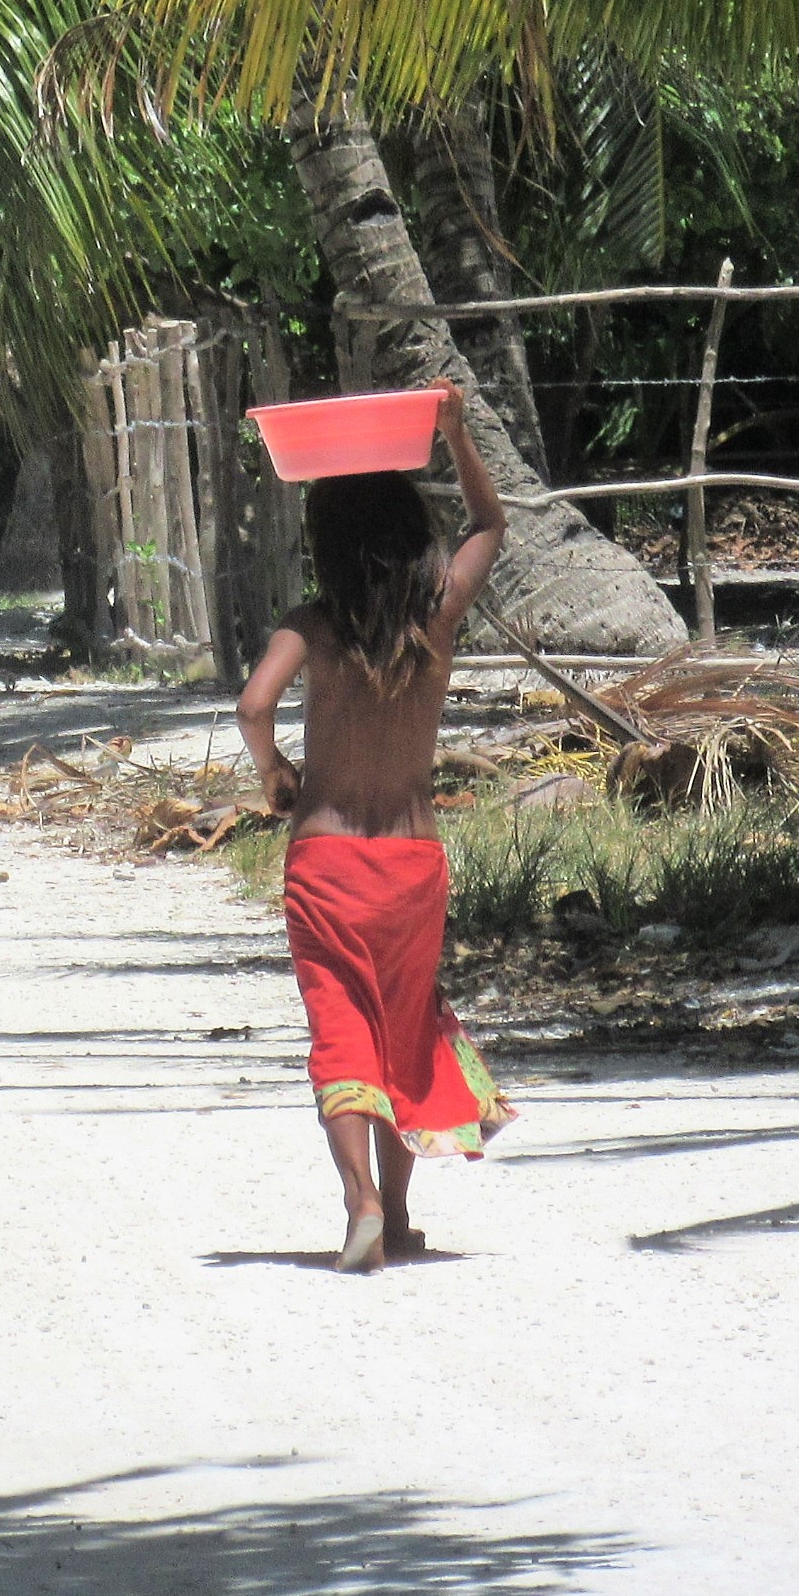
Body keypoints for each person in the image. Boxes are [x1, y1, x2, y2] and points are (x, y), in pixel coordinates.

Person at [235, 382, 519, 1274]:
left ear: (325, 548)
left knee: (340, 1032)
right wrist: (456, 434)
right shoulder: (434, 619)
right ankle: (395, 1213)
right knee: (401, 1027)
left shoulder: (312, 627)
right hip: (411, 861)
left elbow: (251, 706)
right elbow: (490, 527)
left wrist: (276, 772)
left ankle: (358, 1202)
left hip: (325, 860)